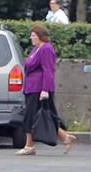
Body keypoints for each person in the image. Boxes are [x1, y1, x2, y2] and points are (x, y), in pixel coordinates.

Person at [16, 24, 76, 156]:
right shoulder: (36, 49)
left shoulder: (46, 49)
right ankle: (65, 137)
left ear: (40, 36)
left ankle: (29, 145)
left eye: (33, 35)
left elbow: (48, 70)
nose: (31, 38)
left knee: (32, 116)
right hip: (31, 88)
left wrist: (45, 90)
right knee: (41, 116)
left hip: (39, 89)